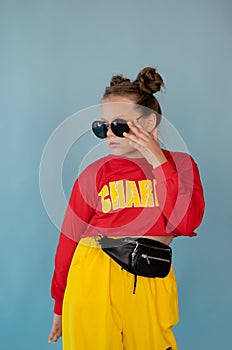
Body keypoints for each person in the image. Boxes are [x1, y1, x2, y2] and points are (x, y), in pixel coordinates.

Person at [48, 67, 205, 350]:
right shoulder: (93, 174)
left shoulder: (181, 166)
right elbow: (68, 240)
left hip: (150, 276)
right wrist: (59, 303)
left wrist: (158, 161)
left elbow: (186, 223)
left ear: (148, 124)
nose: (109, 134)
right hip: (92, 275)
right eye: (102, 126)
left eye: (119, 125)